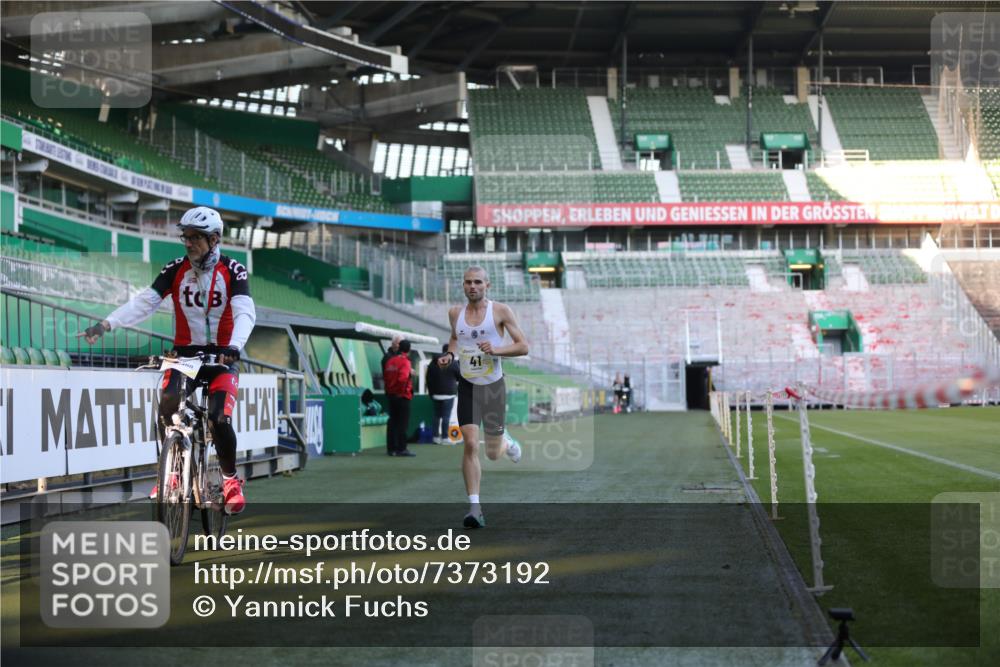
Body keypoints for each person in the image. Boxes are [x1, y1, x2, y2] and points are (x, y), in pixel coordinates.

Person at [80, 206, 255, 514]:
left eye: (196, 237)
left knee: (219, 418)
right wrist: (106, 324)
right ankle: (171, 473)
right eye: (185, 237)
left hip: (222, 357)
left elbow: (245, 312)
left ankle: (230, 480)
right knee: (168, 405)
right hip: (185, 357)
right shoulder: (175, 269)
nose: (188, 243)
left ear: (214, 239)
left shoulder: (233, 270)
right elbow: (144, 303)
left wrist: (234, 346)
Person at [439, 266, 529, 529]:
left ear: (487, 285)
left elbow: (523, 346)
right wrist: (450, 355)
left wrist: (497, 349)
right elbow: (455, 338)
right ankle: (475, 508)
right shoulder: (455, 313)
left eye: (478, 282)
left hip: (493, 388)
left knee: (492, 453)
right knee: (469, 443)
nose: (472, 286)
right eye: (468, 282)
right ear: (463, 285)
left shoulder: (500, 311)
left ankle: (506, 442)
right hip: (467, 386)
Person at [384, 339, 415, 457]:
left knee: (392, 422)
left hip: (391, 395)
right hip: (402, 396)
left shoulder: (390, 361)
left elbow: (386, 377)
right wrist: (401, 392)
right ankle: (402, 448)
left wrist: (391, 391)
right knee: (402, 424)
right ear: (409, 350)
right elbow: (403, 378)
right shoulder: (405, 362)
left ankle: (391, 449)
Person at [426, 343, 460, 444]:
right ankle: (445, 437)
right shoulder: (453, 362)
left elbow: (428, 379)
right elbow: (459, 376)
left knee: (436, 416)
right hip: (449, 394)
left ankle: (435, 437)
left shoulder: (433, 362)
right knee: (446, 416)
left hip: (436, 394)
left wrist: (431, 393)